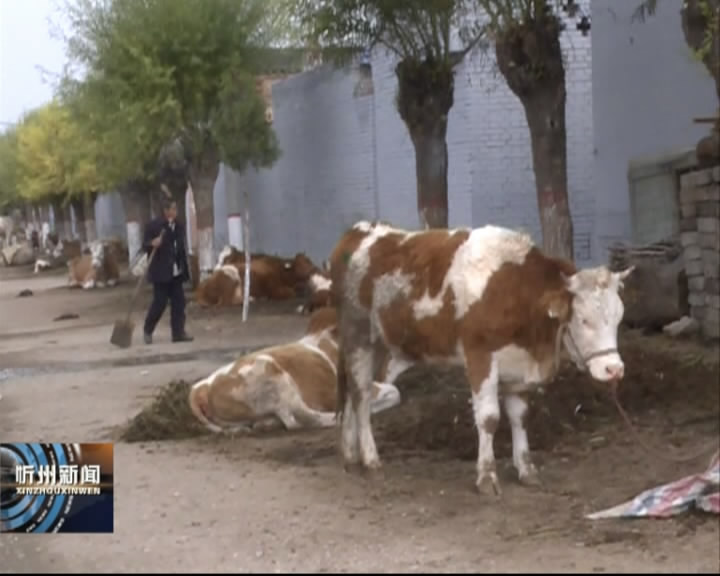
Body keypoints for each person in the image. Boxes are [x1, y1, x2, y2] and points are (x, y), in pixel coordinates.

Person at [142, 197, 194, 344]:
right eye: (173, 209)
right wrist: (152, 243)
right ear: (166, 211)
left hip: (176, 271)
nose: (175, 212)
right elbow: (144, 246)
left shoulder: (178, 226)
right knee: (160, 303)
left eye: (176, 209)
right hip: (161, 273)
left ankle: (178, 333)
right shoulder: (154, 226)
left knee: (179, 303)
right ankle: (148, 329)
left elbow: (180, 247)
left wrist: (184, 268)